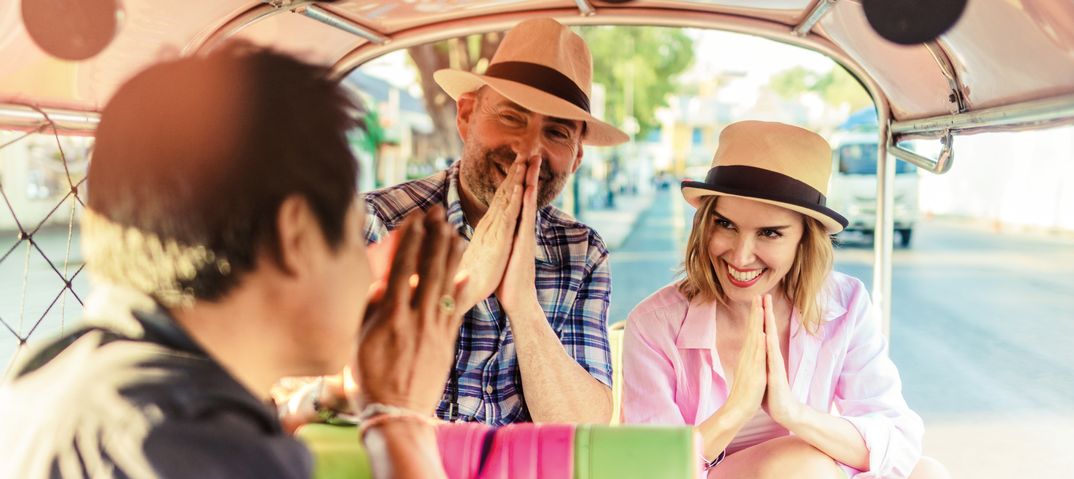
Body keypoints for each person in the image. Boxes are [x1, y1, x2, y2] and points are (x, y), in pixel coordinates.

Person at [0, 44, 464, 479]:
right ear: (297, 235)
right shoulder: (183, 446)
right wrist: (398, 416)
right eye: (352, 237)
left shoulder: (50, 373)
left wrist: (325, 398)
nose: (366, 271)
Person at [621, 121, 949, 478]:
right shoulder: (654, 324)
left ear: (804, 240)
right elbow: (645, 470)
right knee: (800, 463)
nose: (741, 256)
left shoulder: (845, 303)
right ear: (705, 224)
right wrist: (736, 410)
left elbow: (898, 440)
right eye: (726, 224)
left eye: (769, 233)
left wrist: (793, 413)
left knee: (928, 472)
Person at [361, 18, 629, 425]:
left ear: (576, 157)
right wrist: (464, 288)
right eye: (511, 117)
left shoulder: (582, 251)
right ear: (466, 115)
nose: (528, 150)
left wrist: (522, 302)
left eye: (556, 132)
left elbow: (584, 428)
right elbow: (348, 392)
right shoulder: (378, 222)